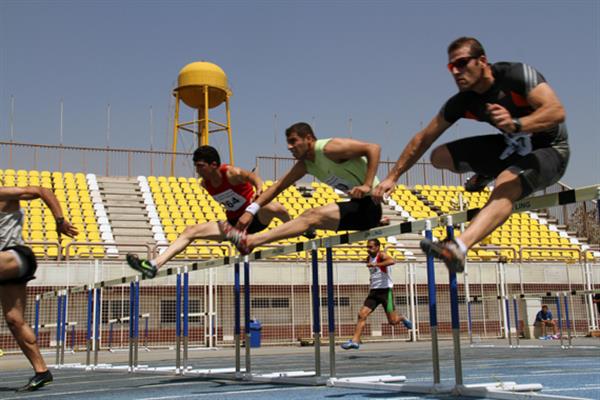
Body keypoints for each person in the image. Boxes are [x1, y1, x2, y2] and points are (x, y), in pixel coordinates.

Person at [373, 37, 569, 273]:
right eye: (451, 67)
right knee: (439, 157)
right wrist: (393, 176)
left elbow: (556, 111)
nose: (456, 71)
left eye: (462, 63)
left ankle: (459, 247)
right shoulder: (464, 100)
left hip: (550, 148)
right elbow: (423, 138)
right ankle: (487, 173)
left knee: (506, 183)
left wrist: (517, 124)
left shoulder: (515, 75)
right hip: (512, 148)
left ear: (482, 61)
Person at [127, 145, 299, 277]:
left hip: (254, 217)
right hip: (234, 226)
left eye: (201, 166)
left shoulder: (231, 173)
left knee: (276, 207)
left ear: (214, 164)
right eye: (196, 166)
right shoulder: (204, 183)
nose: (197, 170)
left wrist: (260, 190)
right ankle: (154, 266)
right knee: (190, 231)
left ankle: (295, 228)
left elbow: (253, 177)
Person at [219, 122, 382, 255]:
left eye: (293, 141)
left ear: (308, 138)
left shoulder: (329, 149)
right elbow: (277, 187)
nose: (289, 147)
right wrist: (250, 211)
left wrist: (367, 184)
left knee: (311, 216)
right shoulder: (305, 164)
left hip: (370, 206)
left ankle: (251, 241)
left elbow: (373, 148)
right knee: (307, 217)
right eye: (288, 143)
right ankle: (251, 241)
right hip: (357, 205)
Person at [0, 186, 78, 391]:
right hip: (8, 269)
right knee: (14, 320)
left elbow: (43, 191)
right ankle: (42, 372)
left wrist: (60, 221)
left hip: (15, 256)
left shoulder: (3, 193)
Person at [341, 239, 412, 350]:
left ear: (378, 247)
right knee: (362, 314)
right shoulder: (368, 258)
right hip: (374, 291)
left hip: (385, 291)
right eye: (367, 247)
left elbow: (392, 261)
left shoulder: (382, 255)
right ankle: (355, 341)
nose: (368, 249)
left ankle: (402, 318)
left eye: (371, 247)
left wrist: (376, 264)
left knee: (393, 321)